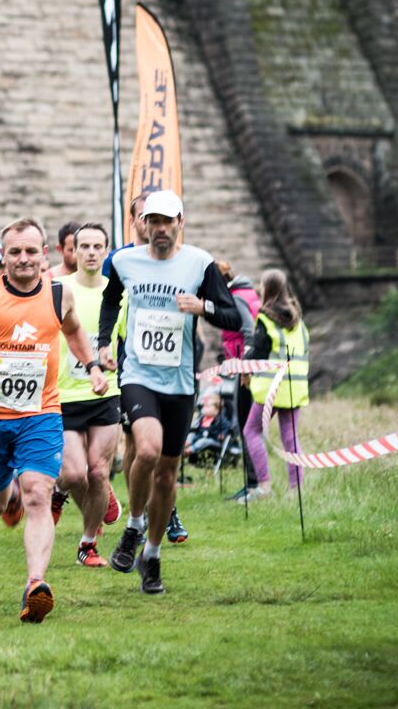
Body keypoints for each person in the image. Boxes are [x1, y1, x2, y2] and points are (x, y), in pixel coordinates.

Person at [0, 219, 106, 623]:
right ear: (2, 257)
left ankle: (36, 584)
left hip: (42, 414)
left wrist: (93, 365)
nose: (23, 259)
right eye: (14, 252)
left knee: (38, 493)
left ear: (44, 253)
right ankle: (6, 496)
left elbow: (74, 333)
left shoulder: (58, 294)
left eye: (31, 251)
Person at [98, 190, 244, 595]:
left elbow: (233, 314)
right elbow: (110, 301)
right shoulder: (124, 260)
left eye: (167, 222)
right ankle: (133, 526)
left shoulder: (199, 263)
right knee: (145, 450)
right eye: (152, 221)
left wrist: (203, 308)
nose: (160, 229)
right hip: (137, 374)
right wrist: (103, 343)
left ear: (181, 222)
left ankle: (153, 553)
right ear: (142, 223)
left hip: (180, 382)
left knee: (167, 475)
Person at [55, 223, 123, 567]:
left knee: (98, 472)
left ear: (106, 251)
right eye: (85, 246)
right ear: (75, 251)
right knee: (72, 474)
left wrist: (114, 357)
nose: (92, 252)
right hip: (64, 395)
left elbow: (125, 339)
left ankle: (87, 543)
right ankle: (59, 491)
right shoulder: (58, 289)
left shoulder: (116, 291)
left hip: (104, 393)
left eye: (98, 246)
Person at [242, 269, 308, 498]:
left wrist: (244, 369)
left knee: (251, 431)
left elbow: (259, 352)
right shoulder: (298, 319)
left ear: (266, 289)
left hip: (271, 388)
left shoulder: (266, 318)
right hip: (295, 387)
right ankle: (295, 490)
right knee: (291, 439)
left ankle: (264, 486)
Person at [219, 261, 261, 500]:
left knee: (244, 425)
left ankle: (254, 484)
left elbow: (248, 331)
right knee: (249, 426)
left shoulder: (237, 298)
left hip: (246, 370)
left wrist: (245, 365)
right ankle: (254, 483)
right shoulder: (248, 292)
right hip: (247, 367)